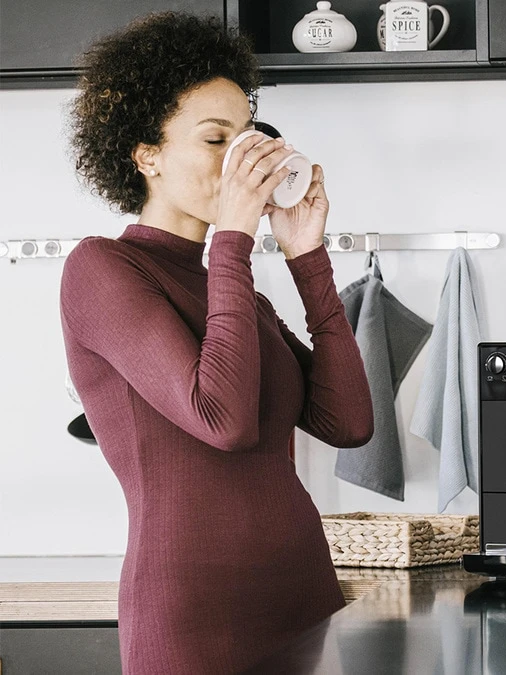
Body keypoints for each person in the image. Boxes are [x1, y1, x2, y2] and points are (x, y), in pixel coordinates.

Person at [61, 12, 374, 673]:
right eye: (215, 139)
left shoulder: (234, 293)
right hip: (195, 617)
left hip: (304, 595)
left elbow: (347, 423)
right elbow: (222, 421)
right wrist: (232, 236)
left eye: (247, 137)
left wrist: (307, 258)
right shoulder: (102, 268)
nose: (240, 161)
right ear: (146, 155)